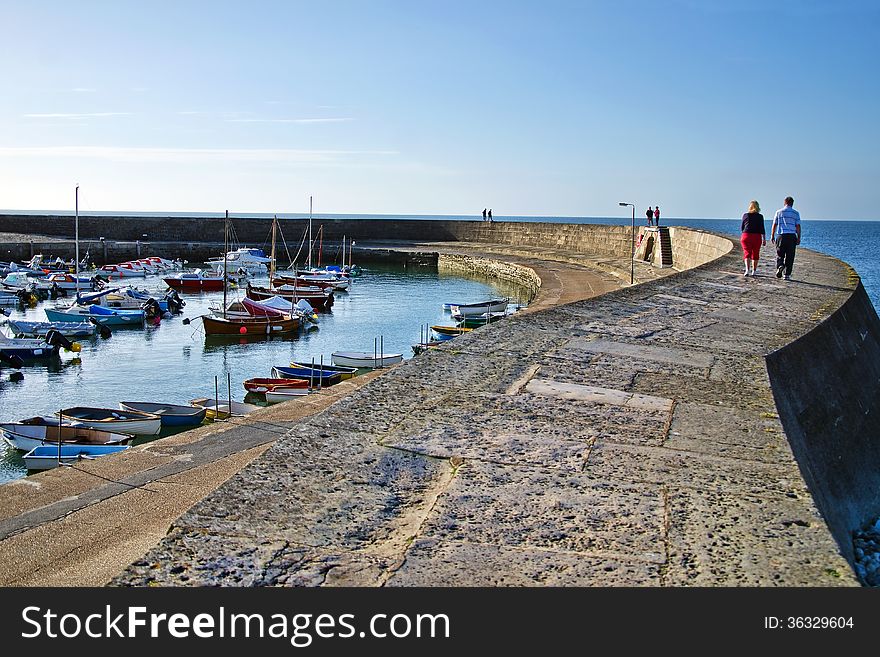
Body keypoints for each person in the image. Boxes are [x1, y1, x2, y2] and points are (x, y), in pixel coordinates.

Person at [770, 196, 801, 280]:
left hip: (781, 236)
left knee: (780, 254)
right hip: (791, 236)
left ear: (784, 202)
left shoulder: (778, 212)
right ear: (792, 203)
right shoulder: (796, 213)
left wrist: (772, 236)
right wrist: (799, 237)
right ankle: (787, 275)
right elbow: (798, 226)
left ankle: (780, 265)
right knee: (790, 256)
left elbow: (774, 224)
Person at [740, 200, 766, 276]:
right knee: (755, 253)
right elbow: (762, 228)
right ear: (758, 207)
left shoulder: (745, 215)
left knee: (747, 253)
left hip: (746, 236)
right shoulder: (760, 216)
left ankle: (747, 270)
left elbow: (742, 227)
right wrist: (764, 239)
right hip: (756, 237)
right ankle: (754, 271)